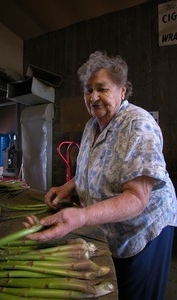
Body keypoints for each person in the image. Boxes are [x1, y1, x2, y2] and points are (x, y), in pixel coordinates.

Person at [23, 51, 177, 300]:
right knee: (117, 286)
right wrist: (68, 187)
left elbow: (137, 198)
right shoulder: (91, 125)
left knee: (138, 290)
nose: (93, 97)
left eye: (102, 89)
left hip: (143, 228)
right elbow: (93, 166)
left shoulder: (139, 124)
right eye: (88, 90)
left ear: (123, 91)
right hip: (111, 229)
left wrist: (82, 216)